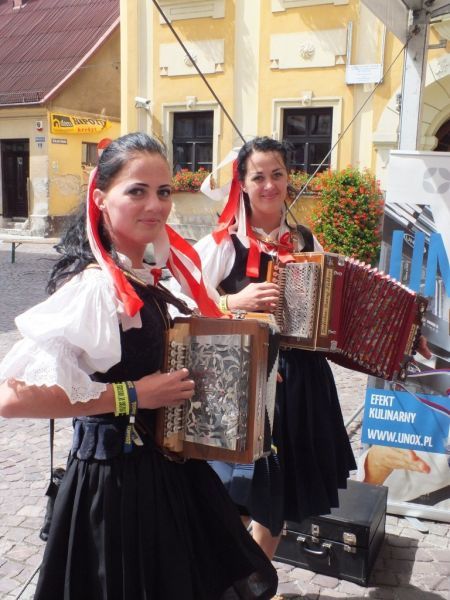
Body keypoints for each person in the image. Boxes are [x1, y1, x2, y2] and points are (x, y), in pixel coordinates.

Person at [0, 133, 278, 600]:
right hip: (116, 486)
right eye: (137, 190)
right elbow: (11, 397)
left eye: (164, 191)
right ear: (100, 199)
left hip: (162, 475)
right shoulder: (94, 287)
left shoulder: (142, 276)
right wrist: (133, 395)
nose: (155, 204)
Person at [175, 136, 357, 559]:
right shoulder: (223, 244)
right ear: (242, 182)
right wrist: (231, 303)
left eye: (277, 174)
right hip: (242, 384)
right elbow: (178, 303)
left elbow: (328, 308)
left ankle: (257, 581)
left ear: (288, 179)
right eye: (259, 176)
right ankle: (225, 577)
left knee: (277, 496)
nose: (270, 185)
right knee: (234, 493)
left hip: (298, 385)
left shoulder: (306, 240)